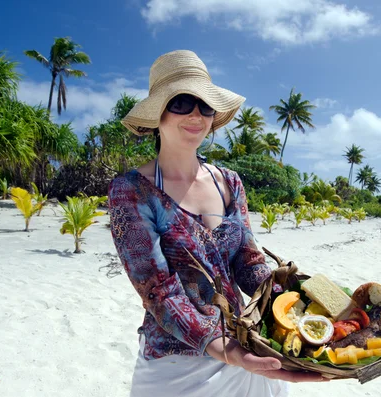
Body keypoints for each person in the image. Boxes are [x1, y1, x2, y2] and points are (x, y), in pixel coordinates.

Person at [108, 50, 326, 397]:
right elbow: (159, 292)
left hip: (248, 343)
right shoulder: (132, 191)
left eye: (205, 105)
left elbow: (248, 260)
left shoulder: (230, 182)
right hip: (177, 362)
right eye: (182, 102)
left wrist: (290, 300)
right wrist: (224, 348)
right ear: (158, 113)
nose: (196, 114)